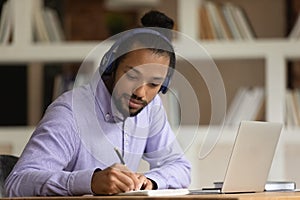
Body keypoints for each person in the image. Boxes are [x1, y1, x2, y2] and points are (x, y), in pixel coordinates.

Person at [5, 10, 191, 196]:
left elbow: (180, 167)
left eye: (154, 84)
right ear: (111, 65)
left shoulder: (151, 108)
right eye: (132, 75)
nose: (141, 93)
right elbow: (17, 183)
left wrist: (151, 181)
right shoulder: (69, 112)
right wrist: (90, 181)